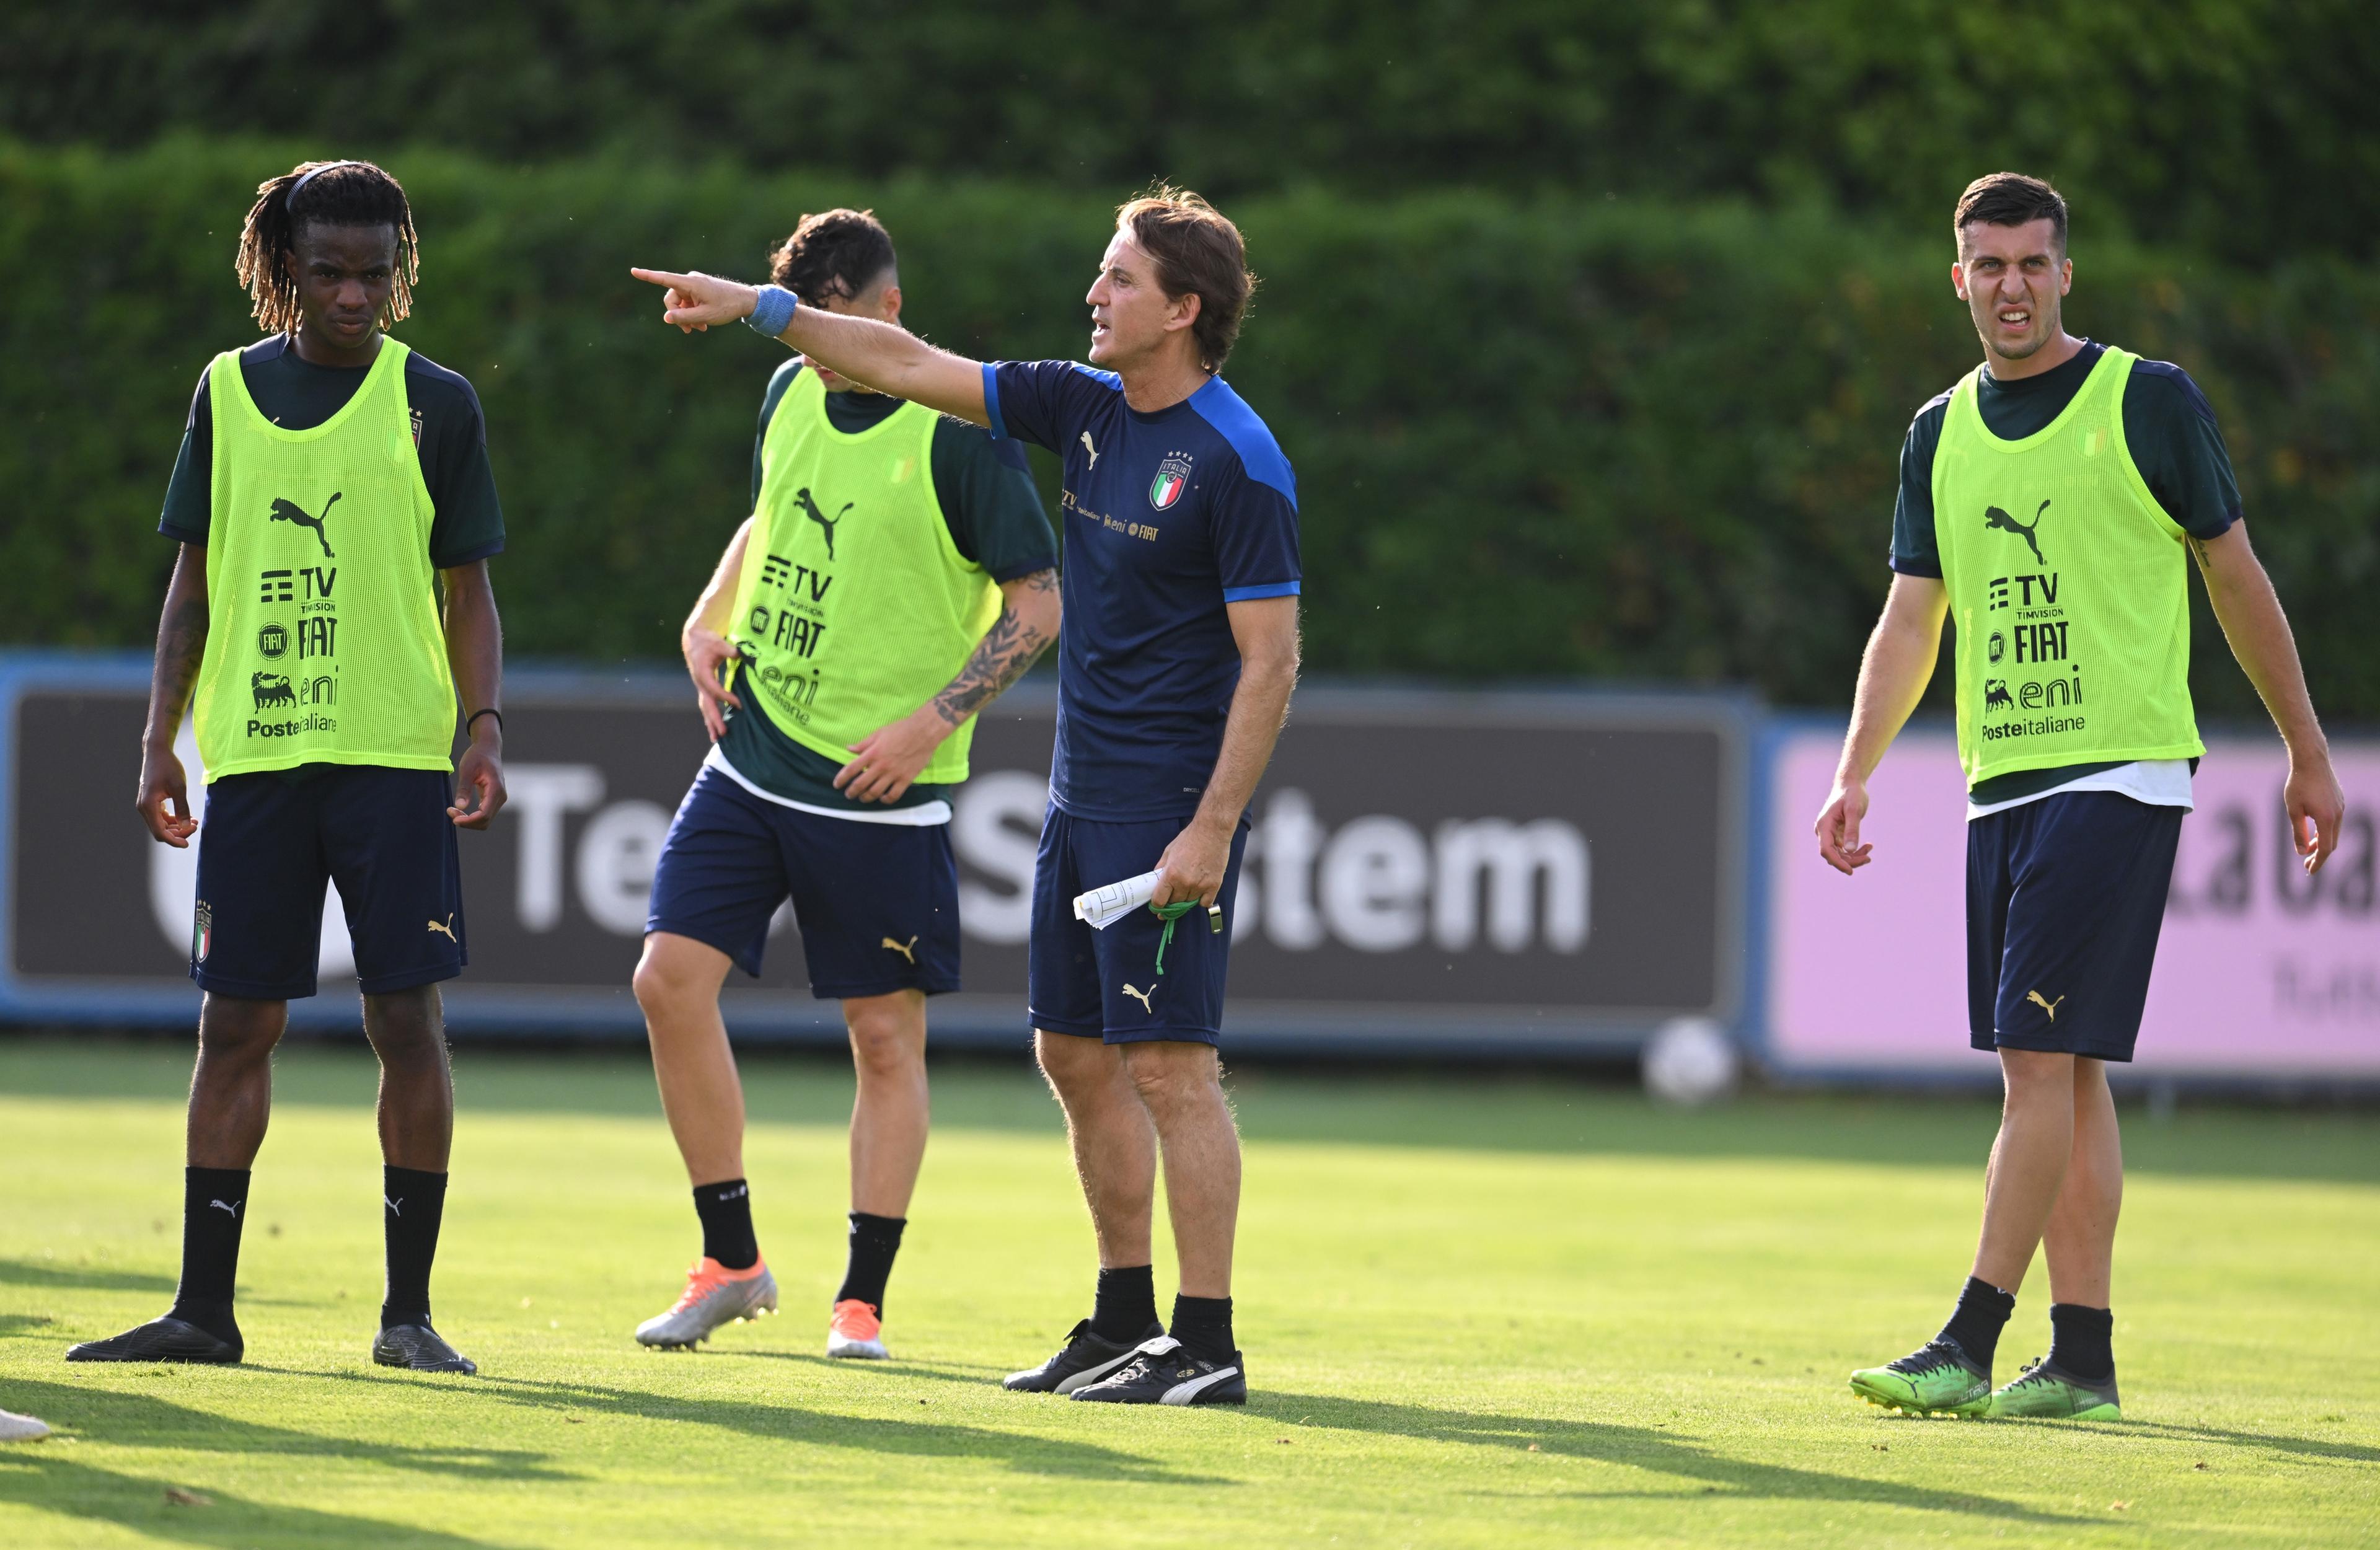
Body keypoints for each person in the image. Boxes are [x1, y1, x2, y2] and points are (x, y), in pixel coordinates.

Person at [634, 183, 1299, 1406]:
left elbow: (1273, 661)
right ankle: (1121, 1321)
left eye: (1119, 280)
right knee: (1074, 1056)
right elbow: (904, 357)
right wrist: (762, 311)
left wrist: (1210, 827)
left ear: (1183, 310)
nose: (1093, 294)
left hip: (1169, 806)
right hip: (1079, 791)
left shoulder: (1238, 461)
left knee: (1171, 1069)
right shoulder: (1085, 406)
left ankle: (1207, 1345)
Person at [1817, 172, 2343, 1420]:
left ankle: (1970, 1335)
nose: (2011, 285)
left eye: (2032, 264)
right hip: (2002, 783)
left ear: (2067, 273)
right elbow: (1913, 615)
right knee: (2070, 1072)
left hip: (2119, 769)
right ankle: (2087, 1357)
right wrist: (1854, 768)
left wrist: (2305, 751)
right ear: (1959, 278)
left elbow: (2235, 575)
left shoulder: (2145, 401)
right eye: (1988, 265)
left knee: (2033, 1059)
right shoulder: (1937, 432)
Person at [68, 159, 508, 1375]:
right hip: (258, 753)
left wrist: (483, 728)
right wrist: (159, 732)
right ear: (282, 270)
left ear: (401, 269)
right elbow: (193, 583)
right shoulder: (226, 391)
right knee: (236, 1024)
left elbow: (470, 589)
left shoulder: (437, 403)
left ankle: (408, 1318)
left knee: (404, 1018)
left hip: (393, 755)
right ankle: (203, 1312)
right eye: (331, 273)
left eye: (378, 273)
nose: (356, 296)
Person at [628, 209, 1059, 1360]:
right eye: (805, 331)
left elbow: (1038, 602)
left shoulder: (959, 431)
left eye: (842, 322)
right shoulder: (785, 395)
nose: (822, 349)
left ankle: (860, 1300)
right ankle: (732, 1260)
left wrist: (933, 721)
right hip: (755, 752)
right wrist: (706, 616)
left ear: (891, 312)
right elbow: (772, 518)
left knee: (882, 1041)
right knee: (667, 981)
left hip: (879, 791)